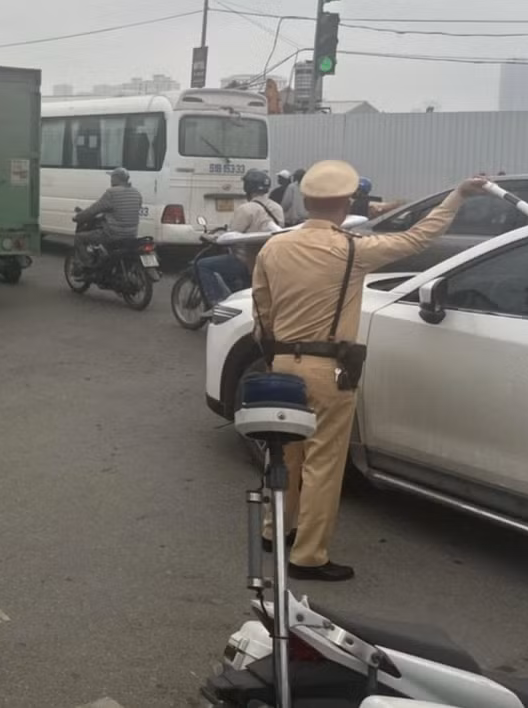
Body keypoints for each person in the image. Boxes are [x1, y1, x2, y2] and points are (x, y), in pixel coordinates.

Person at [252, 160, 486, 582]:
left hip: (282, 364)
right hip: (328, 371)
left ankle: (274, 529)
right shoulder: (352, 250)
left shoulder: (274, 247)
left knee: (284, 454)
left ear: (305, 202)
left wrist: (276, 354)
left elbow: (262, 308)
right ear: (343, 204)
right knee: (323, 463)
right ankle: (308, 556)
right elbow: (419, 237)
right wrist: (458, 195)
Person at [196, 169, 282, 306]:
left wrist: (211, 237)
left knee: (203, 265)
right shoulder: (277, 208)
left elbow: (231, 236)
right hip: (270, 261)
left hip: (247, 262)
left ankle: (216, 304)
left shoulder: (246, 209)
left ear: (247, 187)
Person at [72, 167, 142, 271]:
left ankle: (88, 265)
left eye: (112, 177)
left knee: (79, 238)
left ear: (117, 178)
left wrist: (79, 217)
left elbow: (93, 210)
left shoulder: (112, 193)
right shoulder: (136, 193)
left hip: (113, 234)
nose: (111, 180)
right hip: (132, 234)